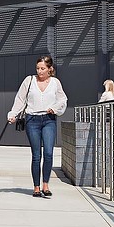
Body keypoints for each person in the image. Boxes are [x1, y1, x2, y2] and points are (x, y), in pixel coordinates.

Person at [6, 55, 68, 198]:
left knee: (48, 153)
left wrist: (55, 108)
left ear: (50, 69)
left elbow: (62, 99)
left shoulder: (55, 83)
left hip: (48, 120)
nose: (39, 71)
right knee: (36, 155)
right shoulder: (29, 81)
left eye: (43, 68)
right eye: (38, 68)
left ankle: (45, 184)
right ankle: (36, 187)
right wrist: (13, 114)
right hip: (32, 120)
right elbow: (20, 99)